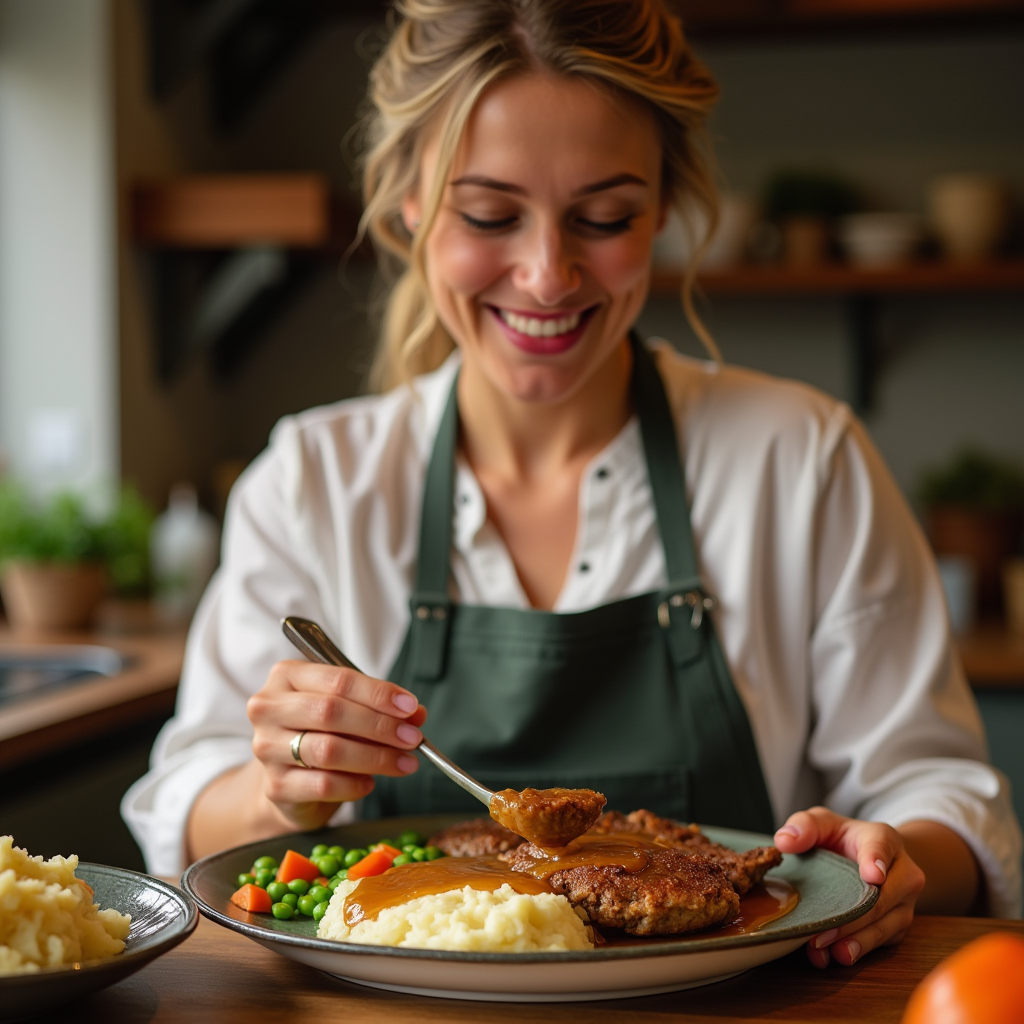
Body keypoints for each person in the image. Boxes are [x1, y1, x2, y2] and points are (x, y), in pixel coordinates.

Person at [123, 0, 1021, 967]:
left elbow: (943, 800)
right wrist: (281, 793)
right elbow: (190, 824)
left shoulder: (801, 459)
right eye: (489, 213)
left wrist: (892, 860)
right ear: (411, 204)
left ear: (666, 208)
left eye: (604, 216)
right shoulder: (313, 482)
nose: (548, 274)